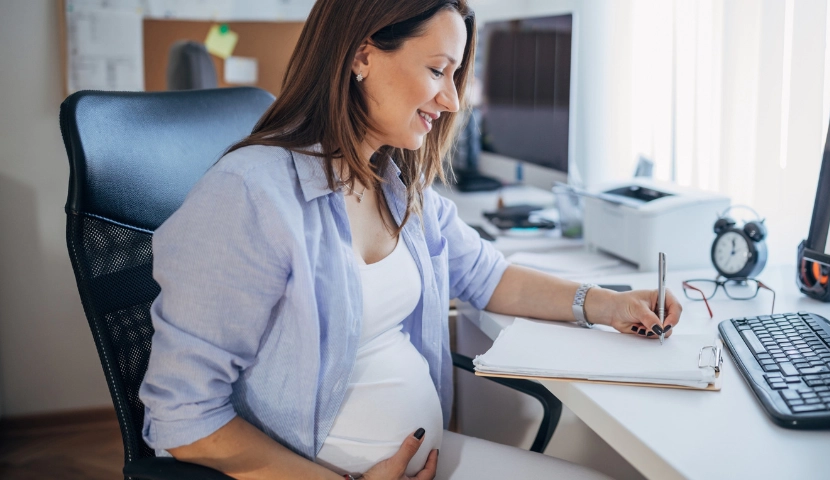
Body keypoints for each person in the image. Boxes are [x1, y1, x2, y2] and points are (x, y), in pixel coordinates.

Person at [138, 1, 683, 478]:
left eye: (456, 77)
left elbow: (490, 277)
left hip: (427, 460)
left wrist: (607, 304)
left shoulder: (398, 187)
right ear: (362, 56)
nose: (451, 101)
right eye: (438, 71)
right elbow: (183, 417)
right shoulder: (249, 193)